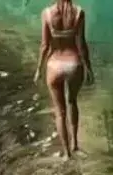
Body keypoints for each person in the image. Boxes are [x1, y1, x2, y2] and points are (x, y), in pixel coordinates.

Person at [34, 0, 94, 159]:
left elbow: (45, 45)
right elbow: (81, 44)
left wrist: (39, 69)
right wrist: (89, 68)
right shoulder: (79, 13)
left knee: (59, 112)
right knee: (72, 102)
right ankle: (75, 145)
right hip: (73, 64)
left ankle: (66, 154)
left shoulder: (47, 13)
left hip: (54, 65)